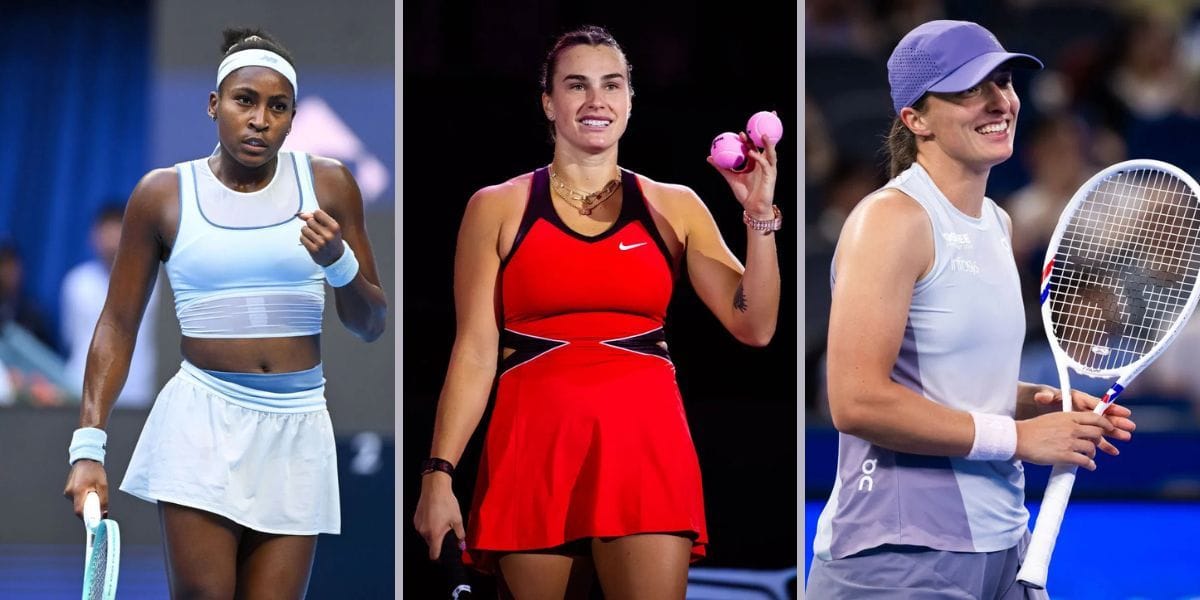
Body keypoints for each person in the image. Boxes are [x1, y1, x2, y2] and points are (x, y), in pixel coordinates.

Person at [412, 25, 781, 598]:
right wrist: (439, 475)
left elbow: (754, 325)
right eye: (576, 85)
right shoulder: (496, 207)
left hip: (645, 447)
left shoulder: (675, 205)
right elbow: (475, 352)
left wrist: (759, 216)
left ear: (631, 101)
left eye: (612, 85)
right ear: (548, 102)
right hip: (532, 447)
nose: (595, 101)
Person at [807, 20, 1136, 598]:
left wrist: (1035, 405)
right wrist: (1020, 440)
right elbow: (855, 399)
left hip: (1003, 544)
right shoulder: (891, 221)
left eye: (1004, 82)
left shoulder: (997, 222)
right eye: (967, 89)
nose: (999, 101)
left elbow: (939, 377)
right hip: (898, 553)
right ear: (916, 119)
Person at [62, 27, 387, 599]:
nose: (260, 118)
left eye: (278, 107)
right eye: (245, 101)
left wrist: (338, 264)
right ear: (215, 105)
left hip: (298, 427)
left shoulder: (330, 183)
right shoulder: (161, 194)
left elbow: (370, 323)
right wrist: (88, 446)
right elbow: (117, 323)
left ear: (292, 118)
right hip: (201, 425)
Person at [61, 204, 159, 408]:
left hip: (138, 392)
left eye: (118, 233)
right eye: (105, 234)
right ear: (93, 237)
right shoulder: (78, 282)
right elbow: (70, 336)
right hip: (81, 389)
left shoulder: (154, 283)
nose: (112, 242)